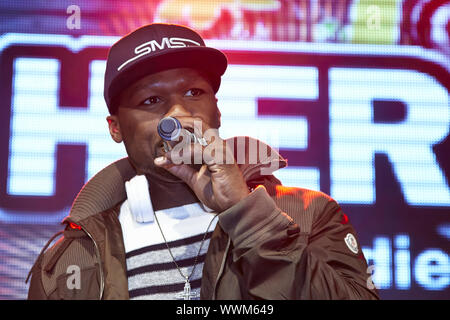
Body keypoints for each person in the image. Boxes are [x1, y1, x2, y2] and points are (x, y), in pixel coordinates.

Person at [26, 23, 379, 300]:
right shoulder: (72, 259)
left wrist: (247, 214)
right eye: (151, 100)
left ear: (217, 109)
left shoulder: (307, 214)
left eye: (194, 93)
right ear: (116, 128)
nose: (179, 114)